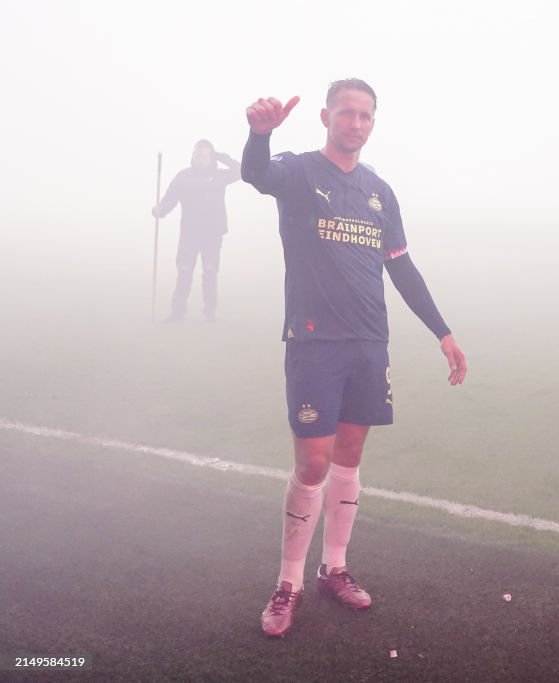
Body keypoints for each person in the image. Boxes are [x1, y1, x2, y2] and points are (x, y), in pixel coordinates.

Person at [240, 79, 468, 638]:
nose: (357, 123)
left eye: (366, 115)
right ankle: (288, 581)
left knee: (348, 459)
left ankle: (333, 569)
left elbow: (402, 268)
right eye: (347, 113)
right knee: (312, 464)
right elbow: (255, 174)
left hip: (370, 342)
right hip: (315, 340)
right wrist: (258, 134)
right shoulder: (296, 172)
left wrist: (442, 332)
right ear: (326, 116)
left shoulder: (379, 192)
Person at [152, 140, 241, 322]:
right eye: (198, 156)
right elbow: (169, 199)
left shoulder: (219, 175)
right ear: (193, 157)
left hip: (212, 234)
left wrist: (221, 156)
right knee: (184, 272)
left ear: (211, 157)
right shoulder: (183, 177)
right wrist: (160, 209)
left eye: (205, 156)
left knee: (209, 273)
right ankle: (177, 313)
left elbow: (241, 171)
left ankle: (210, 314)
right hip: (189, 234)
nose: (201, 160)